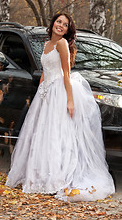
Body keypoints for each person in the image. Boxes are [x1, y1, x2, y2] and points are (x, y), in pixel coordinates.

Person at [6, 13, 115, 202]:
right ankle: (43, 175)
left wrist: (70, 100)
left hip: (59, 92)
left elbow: (66, 73)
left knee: (59, 134)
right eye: (59, 22)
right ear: (53, 23)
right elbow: (45, 71)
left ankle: (58, 177)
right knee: (44, 135)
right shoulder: (48, 44)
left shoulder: (62, 44)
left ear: (67, 29)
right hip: (46, 93)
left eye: (65, 25)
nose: (61, 26)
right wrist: (39, 93)